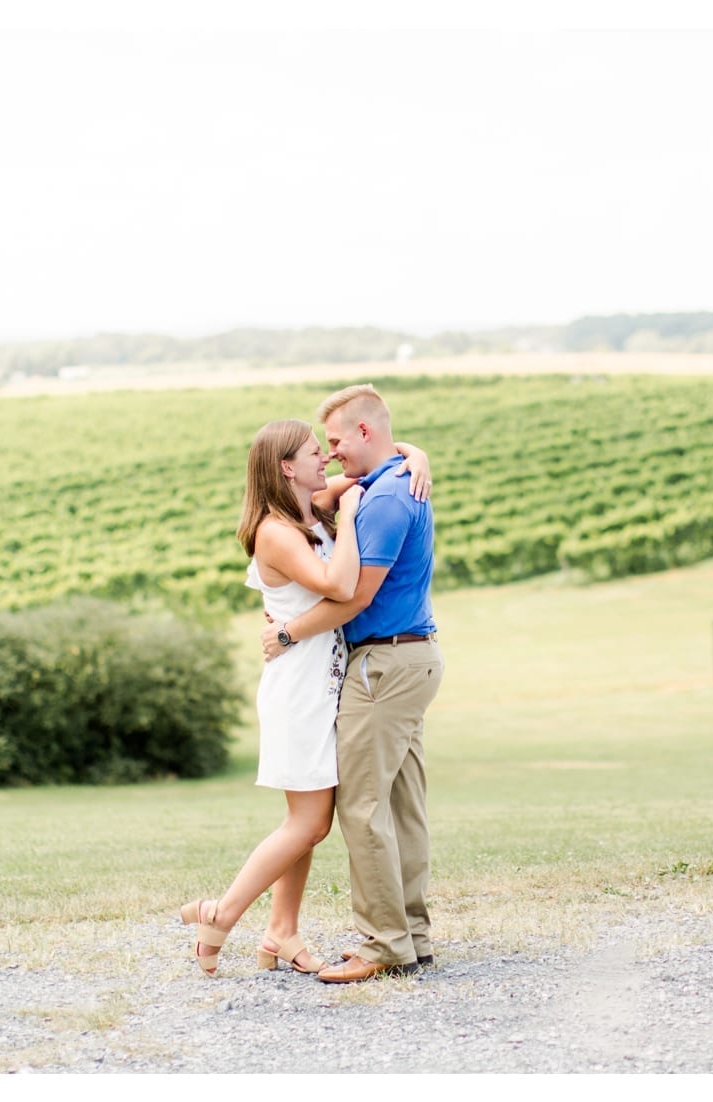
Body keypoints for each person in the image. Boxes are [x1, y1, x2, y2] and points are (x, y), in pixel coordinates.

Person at [179, 418, 430, 977]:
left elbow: (389, 453)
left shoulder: (307, 507)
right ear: (286, 466)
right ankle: (219, 914)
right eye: (316, 453)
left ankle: (282, 932)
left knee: (308, 815)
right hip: (299, 687)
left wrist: (419, 457)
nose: (329, 461)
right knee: (310, 822)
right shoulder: (277, 530)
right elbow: (341, 587)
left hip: (325, 679)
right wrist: (344, 523)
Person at [259, 384, 444, 983]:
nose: (332, 454)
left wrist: (287, 634)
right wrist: (415, 452)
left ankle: (383, 944)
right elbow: (379, 459)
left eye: (336, 441)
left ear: (365, 433)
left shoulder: (387, 498)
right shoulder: (392, 482)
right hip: (407, 658)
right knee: (400, 805)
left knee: (363, 808)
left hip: (383, 665)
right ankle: (410, 935)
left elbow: (354, 595)